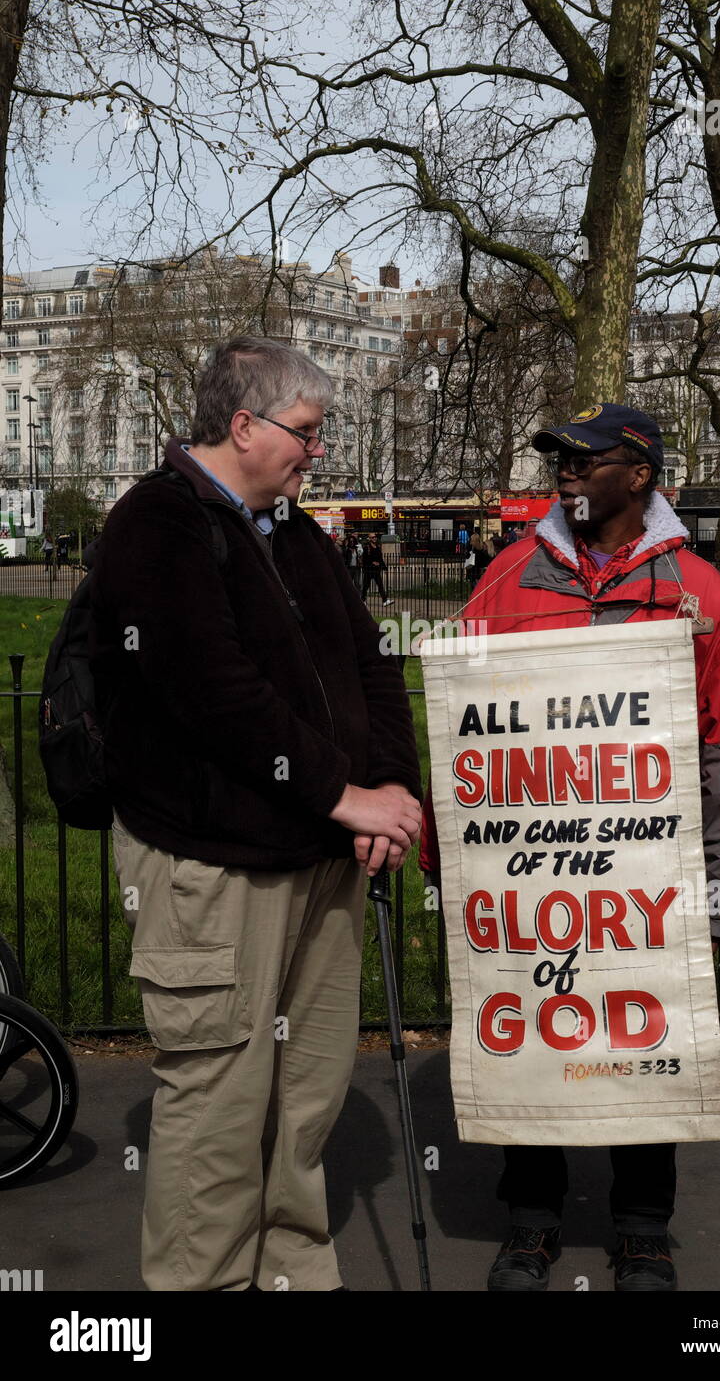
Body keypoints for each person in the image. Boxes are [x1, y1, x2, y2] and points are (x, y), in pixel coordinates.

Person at [89, 337, 423, 1291]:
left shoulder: (295, 532)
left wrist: (387, 793)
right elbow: (211, 689)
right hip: (217, 865)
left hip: (320, 859)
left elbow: (370, 664)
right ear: (243, 424)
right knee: (219, 1105)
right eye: (305, 434)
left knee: (306, 1096)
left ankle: (291, 1277)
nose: (316, 453)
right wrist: (338, 792)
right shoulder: (157, 525)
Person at [420, 401, 720, 1294]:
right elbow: (465, 737)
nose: (564, 472)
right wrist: (446, 855)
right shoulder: (504, 581)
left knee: (649, 1037)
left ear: (639, 474)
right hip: (532, 871)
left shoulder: (697, 591)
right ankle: (530, 1220)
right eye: (558, 460)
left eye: (584, 458)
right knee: (535, 1030)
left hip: (653, 869)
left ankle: (643, 1227)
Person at [361, 532, 393, 606]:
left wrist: (384, 567)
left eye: (375, 537)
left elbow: (380, 558)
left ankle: (385, 600)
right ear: (369, 539)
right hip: (369, 570)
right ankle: (363, 600)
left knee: (380, 585)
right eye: (372, 537)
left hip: (376, 570)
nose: (374, 538)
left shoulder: (377, 547)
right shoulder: (367, 548)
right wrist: (373, 563)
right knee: (366, 586)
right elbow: (365, 559)